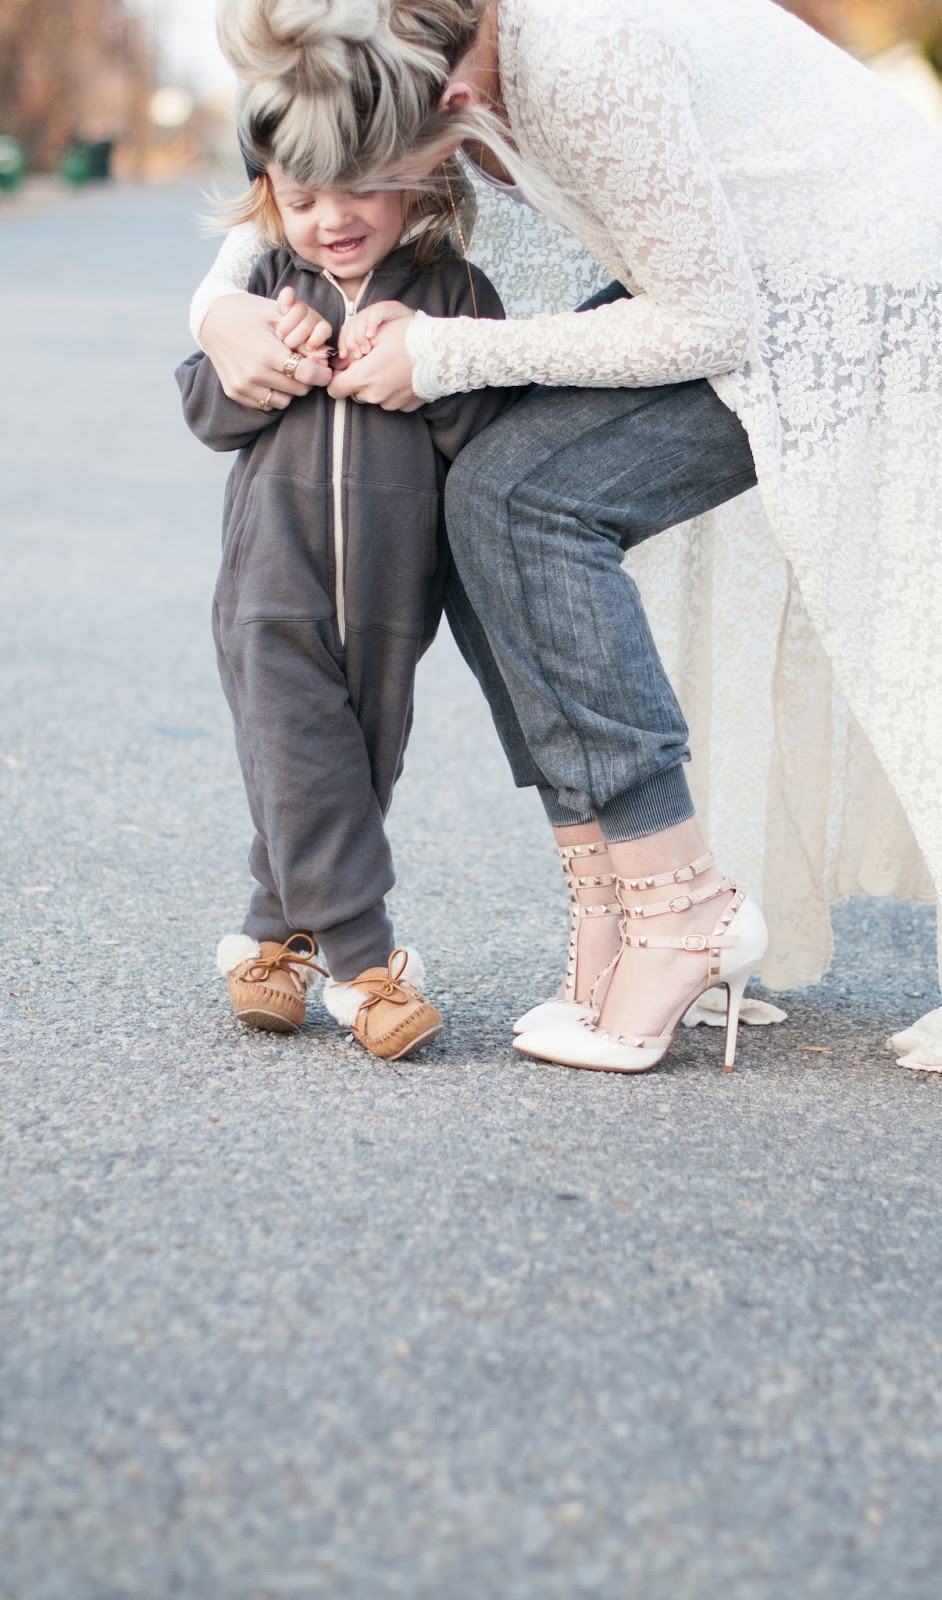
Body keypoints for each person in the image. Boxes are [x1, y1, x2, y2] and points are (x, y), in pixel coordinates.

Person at [189, 0, 942, 1074]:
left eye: (370, 169)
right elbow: (282, 188)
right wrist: (219, 311)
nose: (341, 202)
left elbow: (713, 320)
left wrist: (446, 354)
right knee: (485, 490)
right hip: (745, 281)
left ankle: (677, 907)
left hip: (856, 294)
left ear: (441, 98)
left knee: (518, 498)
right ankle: (612, 906)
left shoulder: (585, 57)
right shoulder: (430, 44)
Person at [176, 136, 509, 1060]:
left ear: (416, 180)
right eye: (304, 200)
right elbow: (204, 408)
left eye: (360, 188)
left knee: (355, 767)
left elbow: (489, 425)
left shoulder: (457, 292)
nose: (334, 218)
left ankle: (274, 933)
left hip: (394, 593)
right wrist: (275, 365)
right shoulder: (265, 287)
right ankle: (364, 963)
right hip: (270, 580)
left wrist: (428, 359)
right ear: (270, 203)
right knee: (299, 750)